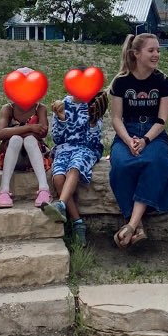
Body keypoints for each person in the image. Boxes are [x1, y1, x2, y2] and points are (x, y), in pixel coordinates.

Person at [109, 33, 168, 248]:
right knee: (120, 164)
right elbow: (116, 118)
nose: (156, 54)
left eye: (158, 50)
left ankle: (132, 224)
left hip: (153, 133)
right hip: (126, 132)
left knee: (158, 162)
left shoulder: (162, 81)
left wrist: (145, 140)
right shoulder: (120, 82)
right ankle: (136, 227)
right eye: (151, 50)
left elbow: (162, 120)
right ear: (136, 54)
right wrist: (128, 141)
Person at [43, 89, 108, 246]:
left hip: (86, 149)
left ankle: (61, 204)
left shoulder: (93, 105)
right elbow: (57, 138)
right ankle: (78, 222)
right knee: (58, 177)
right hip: (64, 148)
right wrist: (61, 119)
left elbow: (92, 141)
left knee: (75, 167)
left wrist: (93, 123)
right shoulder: (63, 105)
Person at [0, 68, 51, 209]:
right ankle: (4, 190)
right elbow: (0, 133)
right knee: (15, 139)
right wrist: (29, 128)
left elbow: (43, 132)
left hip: (34, 158)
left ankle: (44, 189)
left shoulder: (40, 108)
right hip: (13, 158)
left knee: (29, 140)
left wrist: (18, 131)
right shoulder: (8, 109)